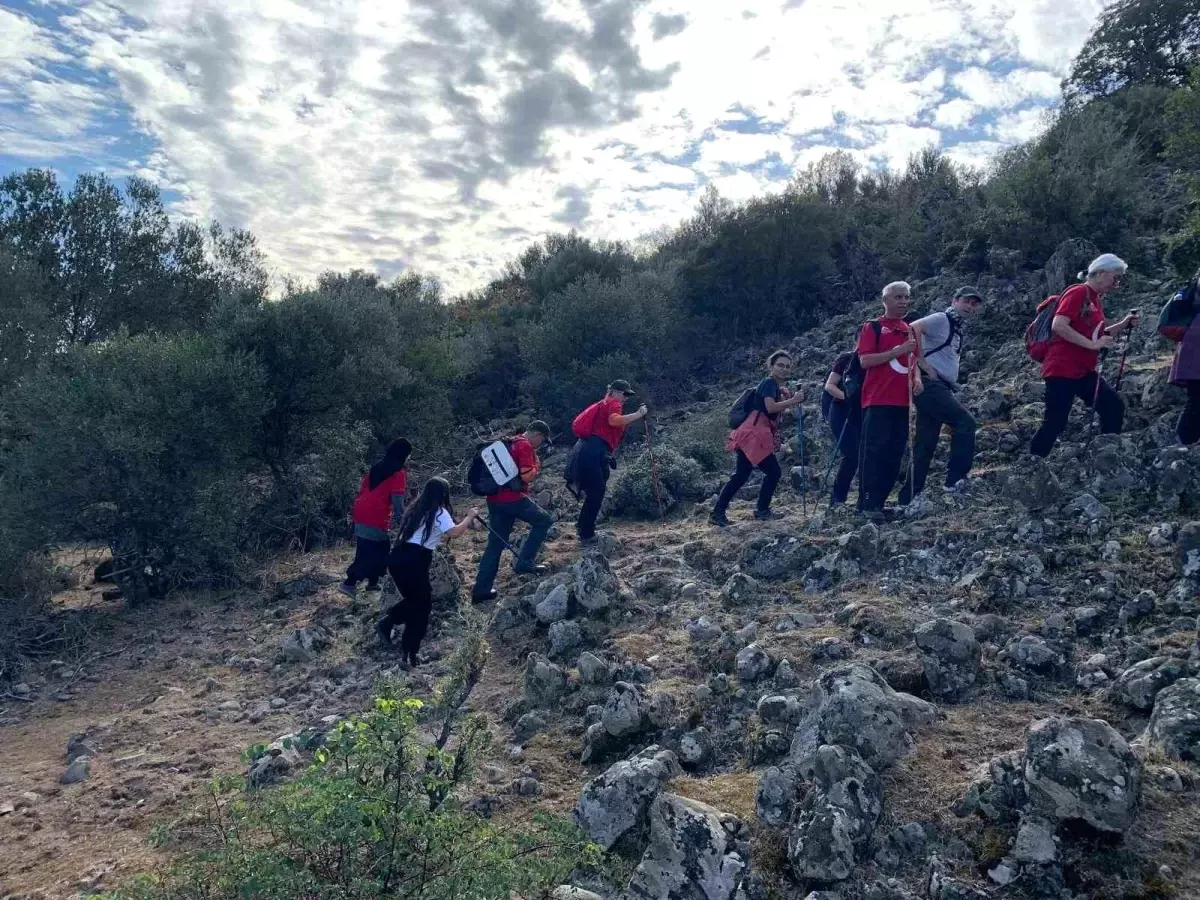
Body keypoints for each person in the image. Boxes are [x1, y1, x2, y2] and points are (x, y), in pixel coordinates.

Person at [1029, 254, 1139, 458]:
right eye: (1115, 278)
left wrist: (1123, 324)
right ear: (1101, 273)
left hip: (1081, 370)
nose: (1116, 284)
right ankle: (1031, 465)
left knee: (1113, 406)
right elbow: (1059, 325)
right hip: (1061, 369)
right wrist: (1093, 344)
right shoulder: (1079, 292)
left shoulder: (1094, 299)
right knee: (1055, 422)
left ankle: (1106, 457)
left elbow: (1098, 334)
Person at [378, 478, 481, 667]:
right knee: (421, 608)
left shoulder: (416, 509)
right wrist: (470, 517)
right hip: (416, 560)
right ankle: (402, 642)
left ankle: (407, 652)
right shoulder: (439, 512)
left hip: (398, 557)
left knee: (417, 605)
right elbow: (454, 533)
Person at [897, 286, 982, 502]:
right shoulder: (941, 319)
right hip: (929, 384)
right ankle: (955, 481)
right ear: (954, 300)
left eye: (974, 304)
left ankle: (909, 497)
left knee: (925, 441)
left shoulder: (956, 328)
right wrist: (923, 363)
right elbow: (912, 328)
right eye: (966, 302)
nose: (970, 307)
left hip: (937, 386)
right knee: (965, 423)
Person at [710, 350, 804, 526]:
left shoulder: (772, 386)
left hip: (750, 434)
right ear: (771, 366)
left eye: (787, 366)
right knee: (773, 472)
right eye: (780, 365)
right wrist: (794, 400)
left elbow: (771, 408)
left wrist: (786, 397)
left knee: (741, 475)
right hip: (753, 436)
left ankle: (718, 513)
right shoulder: (769, 383)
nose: (784, 369)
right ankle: (761, 510)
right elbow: (770, 408)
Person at [857, 282, 923, 519]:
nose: (903, 301)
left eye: (906, 297)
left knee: (895, 453)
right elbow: (864, 361)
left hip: (903, 403)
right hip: (878, 399)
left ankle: (880, 502)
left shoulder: (910, 329)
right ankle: (866, 504)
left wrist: (917, 378)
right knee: (874, 452)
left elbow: (912, 361)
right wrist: (897, 351)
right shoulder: (872, 327)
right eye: (898, 297)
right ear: (885, 300)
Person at [470, 420, 553, 602]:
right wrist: (537, 466)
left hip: (494, 500)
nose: (539, 444)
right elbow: (526, 475)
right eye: (542, 440)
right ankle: (525, 562)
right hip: (514, 499)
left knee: (495, 544)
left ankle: (481, 590)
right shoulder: (524, 446)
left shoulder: (510, 441)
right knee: (544, 521)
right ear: (538, 435)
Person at [568, 379, 648, 544]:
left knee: (595, 490)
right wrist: (639, 414)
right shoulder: (612, 403)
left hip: (585, 449)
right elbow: (614, 420)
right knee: (597, 491)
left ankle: (583, 526)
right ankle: (587, 533)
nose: (625, 398)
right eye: (624, 394)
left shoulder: (602, 403)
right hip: (593, 451)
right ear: (616, 392)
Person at [339, 438, 411, 597]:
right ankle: (349, 583)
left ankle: (373, 583)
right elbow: (397, 501)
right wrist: (405, 521)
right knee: (369, 553)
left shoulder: (377, 467)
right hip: (375, 515)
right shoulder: (398, 473)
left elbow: (364, 489)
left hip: (361, 511)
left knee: (380, 548)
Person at [822, 351, 861, 506]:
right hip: (841, 410)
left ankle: (850, 497)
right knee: (852, 454)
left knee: (859, 454)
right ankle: (837, 498)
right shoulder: (847, 358)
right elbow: (829, 386)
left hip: (860, 412)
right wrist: (847, 398)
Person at [1170, 269, 1200, 445]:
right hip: (1196, 345)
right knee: (1196, 401)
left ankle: (1184, 445)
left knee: (1196, 400)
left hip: (1192, 343)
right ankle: (1182, 447)